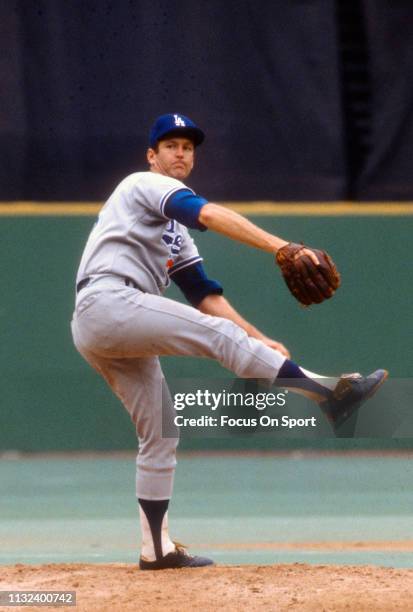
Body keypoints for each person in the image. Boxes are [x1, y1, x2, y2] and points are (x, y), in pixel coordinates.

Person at [71, 113, 387, 570]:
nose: (180, 152)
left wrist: (260, 339)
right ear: (151, 156)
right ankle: (331, 394)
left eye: (188, 146)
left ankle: (154, 549)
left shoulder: (173, 233)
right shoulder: (143, 184)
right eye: (170, 145)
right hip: (110, 301)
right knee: (219, 338)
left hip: (109, 322)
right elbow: (208, 213)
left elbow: (203, 294)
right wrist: (285, 246)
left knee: (161, 431)